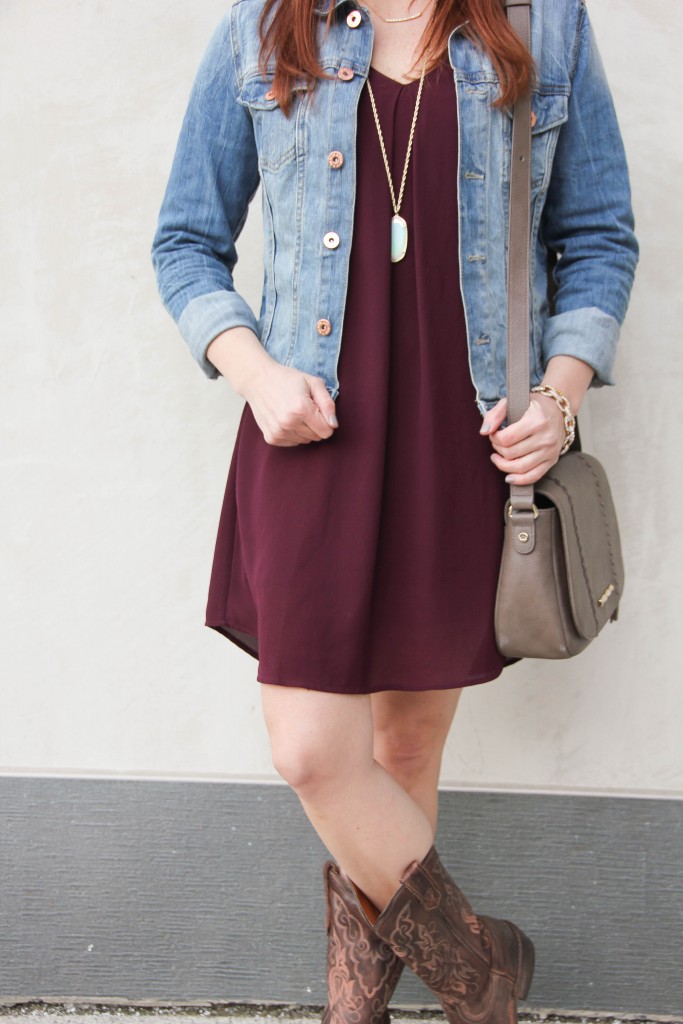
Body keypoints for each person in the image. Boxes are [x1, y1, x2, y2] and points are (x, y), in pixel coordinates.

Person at [152, 0, 637, 1019]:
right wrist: (255, 375)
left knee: (408, 751)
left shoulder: (541, 24)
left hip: (462, 437)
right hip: (308, 430)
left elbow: (594, 237)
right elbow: (184, 244)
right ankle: (480, 964)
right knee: (311, 752)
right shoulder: (263, 26)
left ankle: (357, 1009)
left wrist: (557, 397)